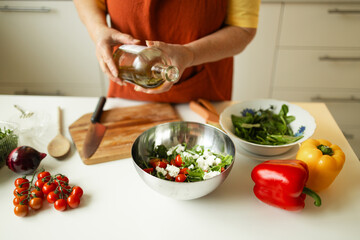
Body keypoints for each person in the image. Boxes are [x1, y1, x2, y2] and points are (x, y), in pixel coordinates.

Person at [73, 0, 260, 103]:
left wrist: (190, 53)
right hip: (128, 82)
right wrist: (98, 30)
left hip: (204, 90)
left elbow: (242, 30)